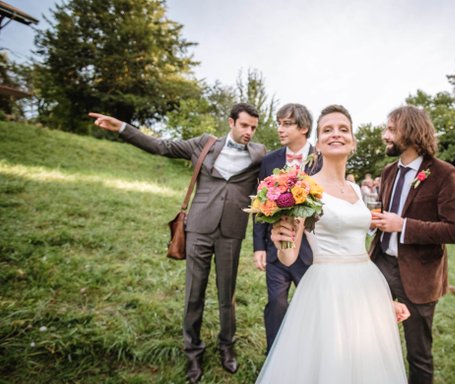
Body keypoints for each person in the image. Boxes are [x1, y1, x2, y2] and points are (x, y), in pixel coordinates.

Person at [88, 103, 266, 383]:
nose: (249, 132)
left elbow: (267, 191)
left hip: (232, 231)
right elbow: (162, 146)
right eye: (244, 125)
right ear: (231, 122)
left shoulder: (259, 154)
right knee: (194, 293)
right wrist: (122, 128)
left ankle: (226, 346)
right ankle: (193, 351)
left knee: (227, 294)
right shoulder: (204, 144)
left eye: (253, 127)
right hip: (199, 228)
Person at [256, 105, 410, 384]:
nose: (335, 134)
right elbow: (289, 258)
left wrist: (382, 301)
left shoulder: (354, 189)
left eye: (343, 129)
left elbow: (359, 249)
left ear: (352, 141)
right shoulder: (304, 188)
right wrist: (281, 242)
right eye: (327, 130)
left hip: (366, 286)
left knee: (365, 365)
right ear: (318, 141)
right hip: (326, 289)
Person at [369, 105, 455, 384]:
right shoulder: (388, 172)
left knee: (419, 353)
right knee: (370, 337)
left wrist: (405, 226)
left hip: (420, 276)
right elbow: (383, 215)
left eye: (390, 129)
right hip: (381, 267)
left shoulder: (445, 174)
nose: (384, 135)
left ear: (409, 131)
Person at [252, 103, 321, 354]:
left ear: (303, 128)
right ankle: (274, 358)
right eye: (279, 123)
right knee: (276, 304)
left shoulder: (322, 159)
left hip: (312, 253)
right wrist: (259, 246)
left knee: (310, 307)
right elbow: (259, 203)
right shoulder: (269, 160)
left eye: (286, 123)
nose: (280, 129)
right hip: (275, 249)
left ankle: (308, 356)